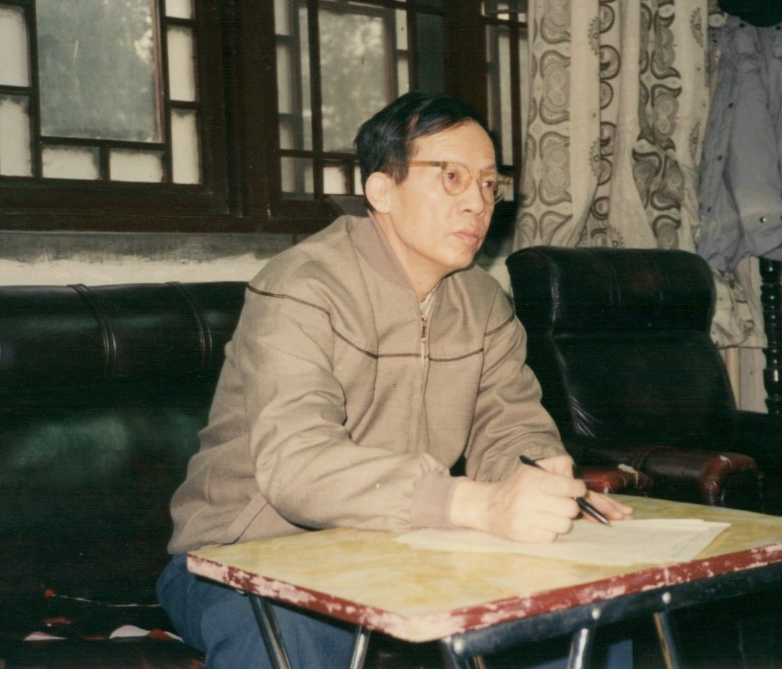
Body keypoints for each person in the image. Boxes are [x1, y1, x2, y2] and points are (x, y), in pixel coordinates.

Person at [156, 92, 633, 668]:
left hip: (393, 548)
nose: (477, 202)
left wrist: (540, 476)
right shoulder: (302, 287)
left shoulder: (484, 302)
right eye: (452, 177)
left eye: (489, 184)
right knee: (300, 625)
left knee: (585, 610)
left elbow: (509, 426)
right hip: (239, 559)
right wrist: (473, 503)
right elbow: (296, 466)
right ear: (381, 190)